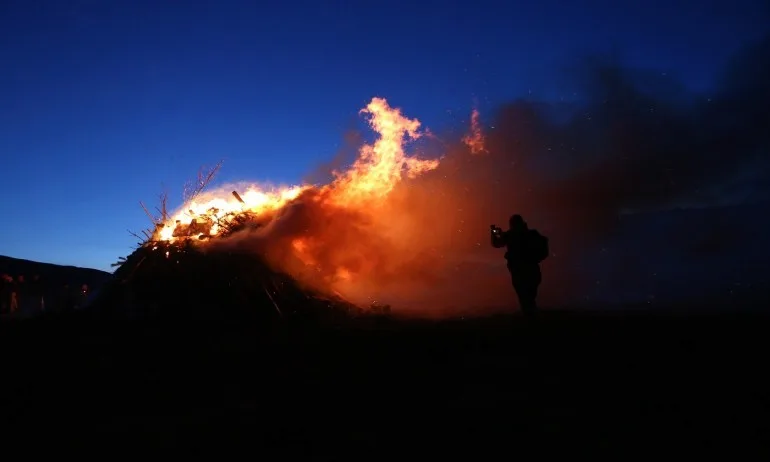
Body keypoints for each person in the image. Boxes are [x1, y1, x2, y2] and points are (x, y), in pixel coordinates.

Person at [491, 214, 549, 317]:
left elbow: (497, 243)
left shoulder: (512, 235)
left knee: (525, 293)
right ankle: (530, 314)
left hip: (521, 268)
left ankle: (529, 314)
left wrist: (494, 234)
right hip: (527, 268)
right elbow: (497, 243)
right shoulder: (531, 234)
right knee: (528, 293)